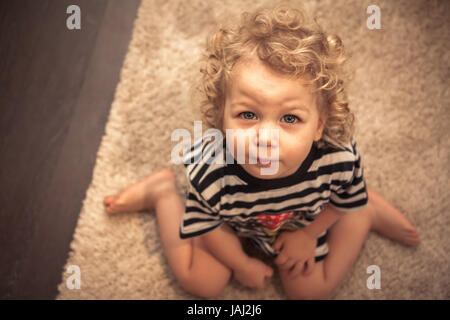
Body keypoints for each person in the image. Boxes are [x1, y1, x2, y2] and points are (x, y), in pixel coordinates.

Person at [103, 3, 420, 299]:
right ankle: (161, 194)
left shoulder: (338, 158)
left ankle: (365, 212)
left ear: (320, 125)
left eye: (290, 118)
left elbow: (338, 203)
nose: (266, 138)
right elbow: (210, 225)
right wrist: (240, 263)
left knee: (308, 290)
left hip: (303, 220)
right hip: (231, 224)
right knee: (202, 282)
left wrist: (309, 235)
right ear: (221, 114)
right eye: (248, 115)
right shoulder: (210, 169)